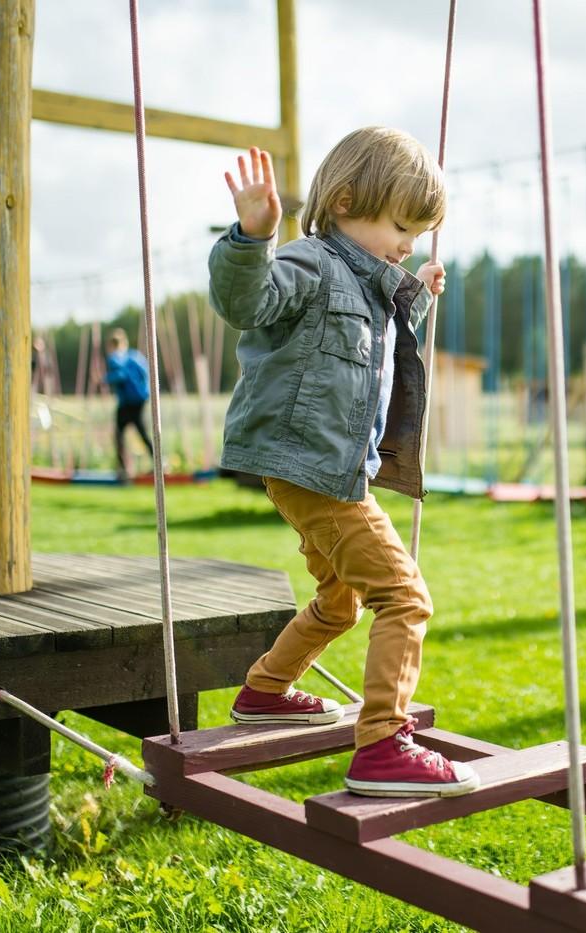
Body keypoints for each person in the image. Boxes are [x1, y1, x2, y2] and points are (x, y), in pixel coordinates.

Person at [208, 128, 477, 798]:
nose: (408, 243)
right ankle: (384, 742)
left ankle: (266, 688)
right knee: (405, 597)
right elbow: (247, 303)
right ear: (350, 201)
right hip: (313, 468)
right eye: (400, 226)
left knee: (342, 599)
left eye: (417, 232)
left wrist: (415, 288)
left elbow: (367, 333)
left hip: (324, 469)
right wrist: (251, 238)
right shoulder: (307, 263)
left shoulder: (365, 281)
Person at [103, 328, 153, 480]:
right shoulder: (135, 356)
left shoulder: (115, 358)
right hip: (140, 400)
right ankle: (158, 462)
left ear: (111, 345)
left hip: (126, 403)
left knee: (119, 435)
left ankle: (123, 469)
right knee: (143, 433)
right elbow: (146, 374)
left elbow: (120, 375)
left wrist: (105, 379)